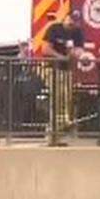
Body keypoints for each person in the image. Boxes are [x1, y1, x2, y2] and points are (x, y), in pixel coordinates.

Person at [43, 11, 86, 144]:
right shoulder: (54, 29)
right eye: (71, 19)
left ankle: (59, 134)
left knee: (66, 100)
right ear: (65, 18)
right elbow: (46, 49)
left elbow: (79, 51)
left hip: (67, 71)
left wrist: (75, 53)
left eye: (75, 20)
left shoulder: (77, 33)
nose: (72, 22)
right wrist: (61, 57)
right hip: (52, 68)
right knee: (58, 98)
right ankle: (52, 133)